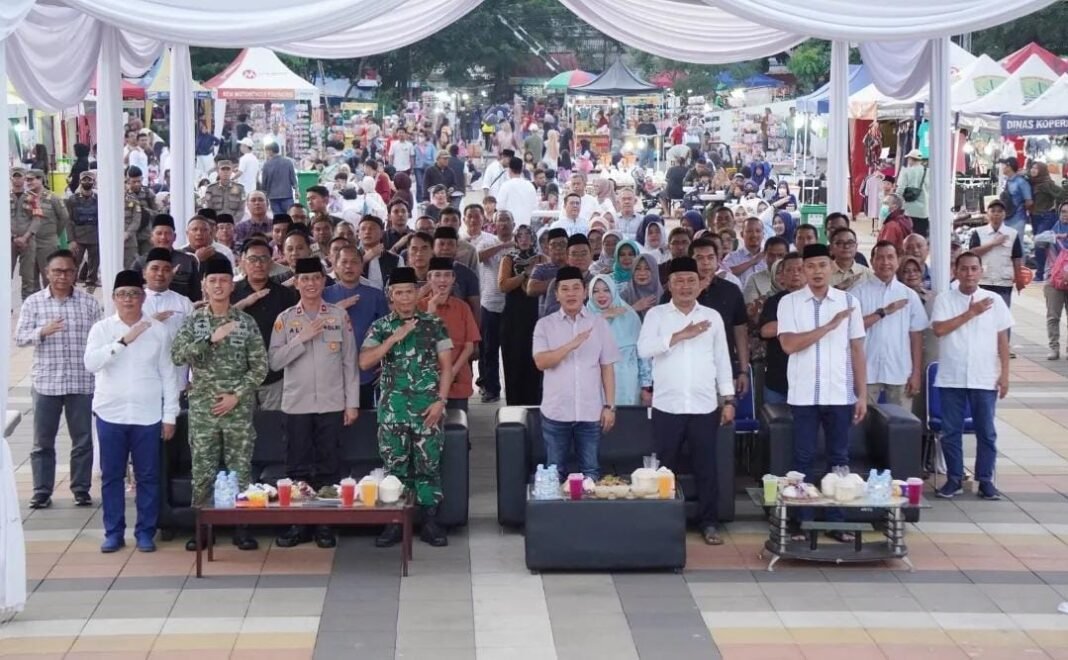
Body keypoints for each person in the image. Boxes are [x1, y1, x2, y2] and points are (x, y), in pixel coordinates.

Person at [171, 258, 267, 551]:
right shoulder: (194, 321)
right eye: (212, 280)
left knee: (240, 469)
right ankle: (203, 528)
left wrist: (236, 395)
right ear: (203, 285)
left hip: (237, 408)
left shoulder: (245, 322)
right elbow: (177, 355)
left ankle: (242, 528)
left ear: (232, 285)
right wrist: (210, 339)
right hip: (203, 409)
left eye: (224, 280)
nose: (218, 286)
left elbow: (260, 367)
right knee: (203, 470)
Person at [638, 256, 736, 545]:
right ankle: (662, 523)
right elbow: (644, 349)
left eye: (691, 280)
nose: (685, 286)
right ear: (669, 285)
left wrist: (728, 399)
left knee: (707, 467)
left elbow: (722, 360)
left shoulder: (712, 316)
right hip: (667, 405)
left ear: (700, 284)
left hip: (704, 405)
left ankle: (709, 523)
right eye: (678, 281)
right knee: (664, 467)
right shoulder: (657, 315)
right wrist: (680, 335)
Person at [84, 270, 179, 553]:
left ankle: (145, 532)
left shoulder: (157, 330)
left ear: (143, 297)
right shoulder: (102, 329)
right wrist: (123, 342)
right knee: (112, 476)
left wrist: (170, 415)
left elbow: (169, 375)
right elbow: (91, 363)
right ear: (114, 298)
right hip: (110, 413)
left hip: (147, 414)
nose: (128, 300)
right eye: (123, 294)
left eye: (134, 294)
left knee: (148, 476)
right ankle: (114, 532)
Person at [777, 244, 867, 540]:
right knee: (802, 459)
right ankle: (803, 522)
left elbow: (857, 349)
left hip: (840, 394)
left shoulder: (849, 301)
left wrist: (862, 395)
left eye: (822, 265)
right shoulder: (789, 303)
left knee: (839, 459)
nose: (817, 271)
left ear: (831, 267)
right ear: (802, 269)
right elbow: (789, 344)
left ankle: (837, 522)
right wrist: (828, 326)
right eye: (811, 266)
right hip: (804, 395)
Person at [360, 267, 453, 548]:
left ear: (417, 293)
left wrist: (441, 401)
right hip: (393, 411)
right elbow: (364, 362)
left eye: (409, 292)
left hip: (427, 410)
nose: (405, 298)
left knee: (428, 467)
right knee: (395, 469)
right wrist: (393, 338)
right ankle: (395, 523)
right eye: (399, 293)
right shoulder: (381, 327)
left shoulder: (433, 324)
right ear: (391, 296)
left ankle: (430, 522)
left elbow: (447, 367)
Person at [269, 258, 359, 549]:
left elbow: (349, 362)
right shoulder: (285, 318)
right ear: (296, 283)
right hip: (297, 405)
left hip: (332, 404)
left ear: (323, 281)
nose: (310, 284)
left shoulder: (338, 315)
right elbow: (274, 361)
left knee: (329, 467)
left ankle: (325, 524)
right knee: (297, 467)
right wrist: (302, 339)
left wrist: (352, 403)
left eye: (316, 278)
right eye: (304, 279)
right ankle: (299, 523)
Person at [15, 249, 103, 509]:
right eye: (57, 271)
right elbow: (20, 337)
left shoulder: (89, 303)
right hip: (47, 382)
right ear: (47, 273)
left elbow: (101, 338)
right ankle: (41, 491)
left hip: (81, 381)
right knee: (42, 441)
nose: (62, 276)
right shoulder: (34, 303)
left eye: (68, 271)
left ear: (75, 273)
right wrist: (42, 331)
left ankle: (81, 489)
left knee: (83, 439)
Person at [931, 252, 1012, 500]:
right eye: (964, 269)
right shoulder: (945, 299)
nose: (969, 274)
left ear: (981, 271)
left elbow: (1002, 339)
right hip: (952, 377)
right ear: (955, 271)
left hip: (984, 376)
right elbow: (939, 329)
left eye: (974, 269)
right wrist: (971, 313)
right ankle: (954, 478)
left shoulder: (995, 300)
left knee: (986, 432)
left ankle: (985, 480)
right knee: (950, 431)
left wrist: (1005, 374)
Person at [533, 266, 619, 481]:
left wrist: (609, 406)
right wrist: (571, 345)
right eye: (565, 289)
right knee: (554, 472)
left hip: (590, 412)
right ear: (556, 294)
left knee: (591, 471)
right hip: (556, 412)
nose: (571, 294)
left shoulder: (598, 324)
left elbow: (607, 367)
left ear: (584, 291)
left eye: (575, 288)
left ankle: (588, 504)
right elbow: (541, 362)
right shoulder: (545, 325)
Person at [852, 241, 928, 406]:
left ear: (898, 260)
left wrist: (916, 373)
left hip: (900, 371)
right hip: (866, 372)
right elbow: (851, 329)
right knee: (862, 420)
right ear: (872, 262)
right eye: (880, 258)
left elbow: (916, 337)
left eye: (890, 257)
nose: (885, 262)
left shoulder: (909, 295)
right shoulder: (857, 293)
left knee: (901, 420)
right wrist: (883, 312)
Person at [231, 240, 300, 411]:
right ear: (242, 262)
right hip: (239, 377)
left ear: (271, 262)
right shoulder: (231, 293)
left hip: (275, 376)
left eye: (263, 259)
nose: (258, 264)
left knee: (273, 424)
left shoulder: (285, 295)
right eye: (253, 259)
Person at [323, 245, 390, 408]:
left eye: (354, 262)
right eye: (344, 262)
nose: (349, 266)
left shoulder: (376, 295)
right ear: (335, 266)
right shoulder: (324, 295)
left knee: (363, 417)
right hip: (331, 373)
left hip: (366, 372)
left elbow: (387, 332)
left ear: (361, 267)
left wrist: (387, 364)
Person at [419, 258, 481, 411]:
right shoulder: (418, 307)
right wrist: (430, 312)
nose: (442, 280)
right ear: (429, 278)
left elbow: (469, 346)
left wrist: (451, 372)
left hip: (457, 378)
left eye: (447, 275)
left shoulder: (462, 307)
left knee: (457, 422)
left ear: (453, 279)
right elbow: (417, 344)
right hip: (425, 382)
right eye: (437, 275)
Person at [968, 199, 1024, 348]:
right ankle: (982, 346)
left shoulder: (1012, 234)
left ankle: (1004, 347)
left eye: (999, 211)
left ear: (1004, 214)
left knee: (1003, 316)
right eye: (993, 211)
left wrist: (1019, 279)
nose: (996, 214)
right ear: (987, 214)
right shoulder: (978, 232)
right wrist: (993, 243)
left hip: (1003, 281)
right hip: (983, 281)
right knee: (982, 315)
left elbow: (1017, 258)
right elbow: (973, 252)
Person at [588, 275, 651, 406]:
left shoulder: (630, 316)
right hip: (596, 384)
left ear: (614, 291)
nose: (601, 295)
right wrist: (603, 317)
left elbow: (643, 354)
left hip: (628, 384)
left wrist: (646, 386)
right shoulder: (584, 318)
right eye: (596, 291)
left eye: (606, 290)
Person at [499, 224, 544, 406]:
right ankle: (514, 408)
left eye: (528, 236)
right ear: (516, 239)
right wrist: (525, 274)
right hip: (514, 317)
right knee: (514, 361)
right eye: (520, 236)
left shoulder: (541, 258)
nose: (524, 239)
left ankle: (534, 406)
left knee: (534, 362)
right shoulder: (509, 258)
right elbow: (503, 285)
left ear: (533, 239)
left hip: (535, 315)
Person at [472, 208, 514, 403]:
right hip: (489, 304)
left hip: (512, 306)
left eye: (507, 220)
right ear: (494, 225)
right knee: (488, 349)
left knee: (511, 350)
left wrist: (513, 245)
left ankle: (513, 389)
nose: (504, 224)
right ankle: (491, 388)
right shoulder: (487, 241)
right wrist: (503, 246)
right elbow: (478, 257)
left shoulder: (520, 243)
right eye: (500, 221)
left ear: (513, 224)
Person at [759, 252, 806, 404]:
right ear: (782, 276)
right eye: (789, 270)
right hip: (778, 380)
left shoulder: (819, 301)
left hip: (809, 381)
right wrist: (804, 322)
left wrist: (785, 324)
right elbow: (766, 330)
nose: (795, 274)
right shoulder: (774, 301)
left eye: (800, 269)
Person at [133, 214, 201, 303]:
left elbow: (196, 294)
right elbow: (132, 291)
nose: (163, 237)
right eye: (159, 233)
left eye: (168, 233)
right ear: (151, 237)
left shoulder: (187, 261)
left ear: (174, 236)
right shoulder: (141, 262)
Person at [1035, 201, 1068, 360]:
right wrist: (1056, 237)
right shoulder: (1052, 232)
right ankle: (1054, 348)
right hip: (1053, 280)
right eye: (1063, 212)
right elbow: (1037, 239)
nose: (1066, 215)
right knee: (1053, 316)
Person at [65, 170, 101, 290]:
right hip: (78, 237)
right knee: (74, 263)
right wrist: (71, 240)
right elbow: (68, 221)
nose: (87, 182)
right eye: (84, 179)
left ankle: (91, 283)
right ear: (80, 181)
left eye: (89, 179)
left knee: (94, 263)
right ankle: (71, 284)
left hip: (95, 236)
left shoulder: (99, 199)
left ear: (93, 182)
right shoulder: (72, 200)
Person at [742, 237, 789, 304]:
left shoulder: (796, 277)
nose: (776, 260)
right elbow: (750, 307)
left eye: (781, 255)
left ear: (788, 256)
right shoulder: (754, 279)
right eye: (771, 255)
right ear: (764, 255)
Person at [723, 217, 768, 287]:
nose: (754, 235)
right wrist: (752, 262)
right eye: (749, 231)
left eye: (758, 231)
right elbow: (726, 274)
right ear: (741, 234)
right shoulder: (732, 257)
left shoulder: (769, 256)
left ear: (763, 234)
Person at [896, 149, 929, 237]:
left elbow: (900, 189)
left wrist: (896, 203)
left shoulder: (906, 171)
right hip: (924, 211)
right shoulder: (928, 172)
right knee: (921, 237)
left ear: (911, 159)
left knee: (908, 236)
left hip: (909, 210)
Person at [497, 156, 538, 227]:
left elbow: (499, 207)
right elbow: (534, 206)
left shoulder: (505, 185)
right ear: (521, 169)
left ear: (509, 169)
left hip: (509, 227)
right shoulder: (530, 185)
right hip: (526, 226)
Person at [1000, 156, 1033, 239]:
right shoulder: (1006, 181)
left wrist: (1019, 209)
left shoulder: (1021, 182)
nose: (1002, 167)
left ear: (1009, 167)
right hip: (1005, 218)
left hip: (1017, 219)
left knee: (1017, 243)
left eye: (1004, 165)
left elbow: (1029, 201)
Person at [261, 142, 298, 215]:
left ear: (270, 151)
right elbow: (293, 178)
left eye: (266, 151)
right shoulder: (288, 162)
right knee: (290, 216)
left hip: (273, 196)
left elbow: (264, 182)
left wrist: (264, 194)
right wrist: (296, 190)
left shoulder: (267, 164)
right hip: (287, 195)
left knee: (278, 218)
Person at [622, 253, 663, 320]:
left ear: (654, 272)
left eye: (647, 268)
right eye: (637, 268)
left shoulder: (665, 297)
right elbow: (611, 319)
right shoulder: (624, 295)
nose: (642, 273)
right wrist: (634, 308)